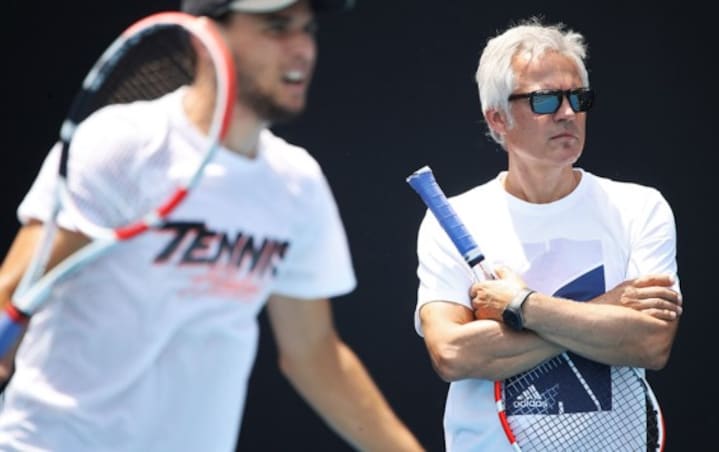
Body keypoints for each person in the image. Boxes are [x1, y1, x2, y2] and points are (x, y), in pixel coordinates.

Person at [0, 1, 424, 451]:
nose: (302, 48)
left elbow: (314, 355)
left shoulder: (296, 184)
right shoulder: (123, 145)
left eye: (307, 29)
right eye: (276, 27)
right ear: (204, 37)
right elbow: (13, 290)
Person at [412, 16, 683, 450]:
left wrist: (523, 307)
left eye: (578, 97)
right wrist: (607, 309)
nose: (568, 113)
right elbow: (453, 354)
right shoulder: (455, 218)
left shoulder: (639, 207)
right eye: (544, 101)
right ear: (497, 117)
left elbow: (650, 342)